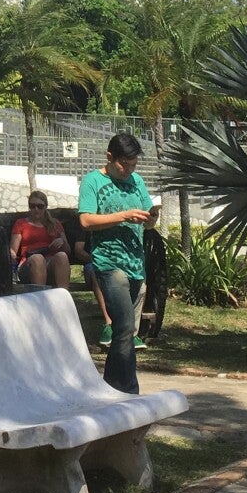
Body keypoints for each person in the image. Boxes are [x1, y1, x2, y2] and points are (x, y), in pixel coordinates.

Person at [78, 132, 156, 394]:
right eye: (124, 164)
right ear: (109, 157)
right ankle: (130, 389)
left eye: (133, 165)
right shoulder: (93, 181)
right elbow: (86, 220)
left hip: (135, 263)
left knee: (125, 330)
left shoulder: (137, 181)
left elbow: (148, 220)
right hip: (109, 262)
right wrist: (123, 216)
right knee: (124, 325)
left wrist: (150, 219)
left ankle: (111, 387)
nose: (129, 170)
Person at [8, 191, 71, 288]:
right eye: (32, 206)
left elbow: (67, 251)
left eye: (40, 206)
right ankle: (40, 295)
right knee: (38, 258)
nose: (36, 209)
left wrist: (62, 242)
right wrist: (12, 260)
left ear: (45, 207)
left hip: (50, 263)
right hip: (29, 263)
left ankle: (64, 294)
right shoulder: (21, 223)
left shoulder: (55, 224)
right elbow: (13, 250)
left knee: (62, 256)